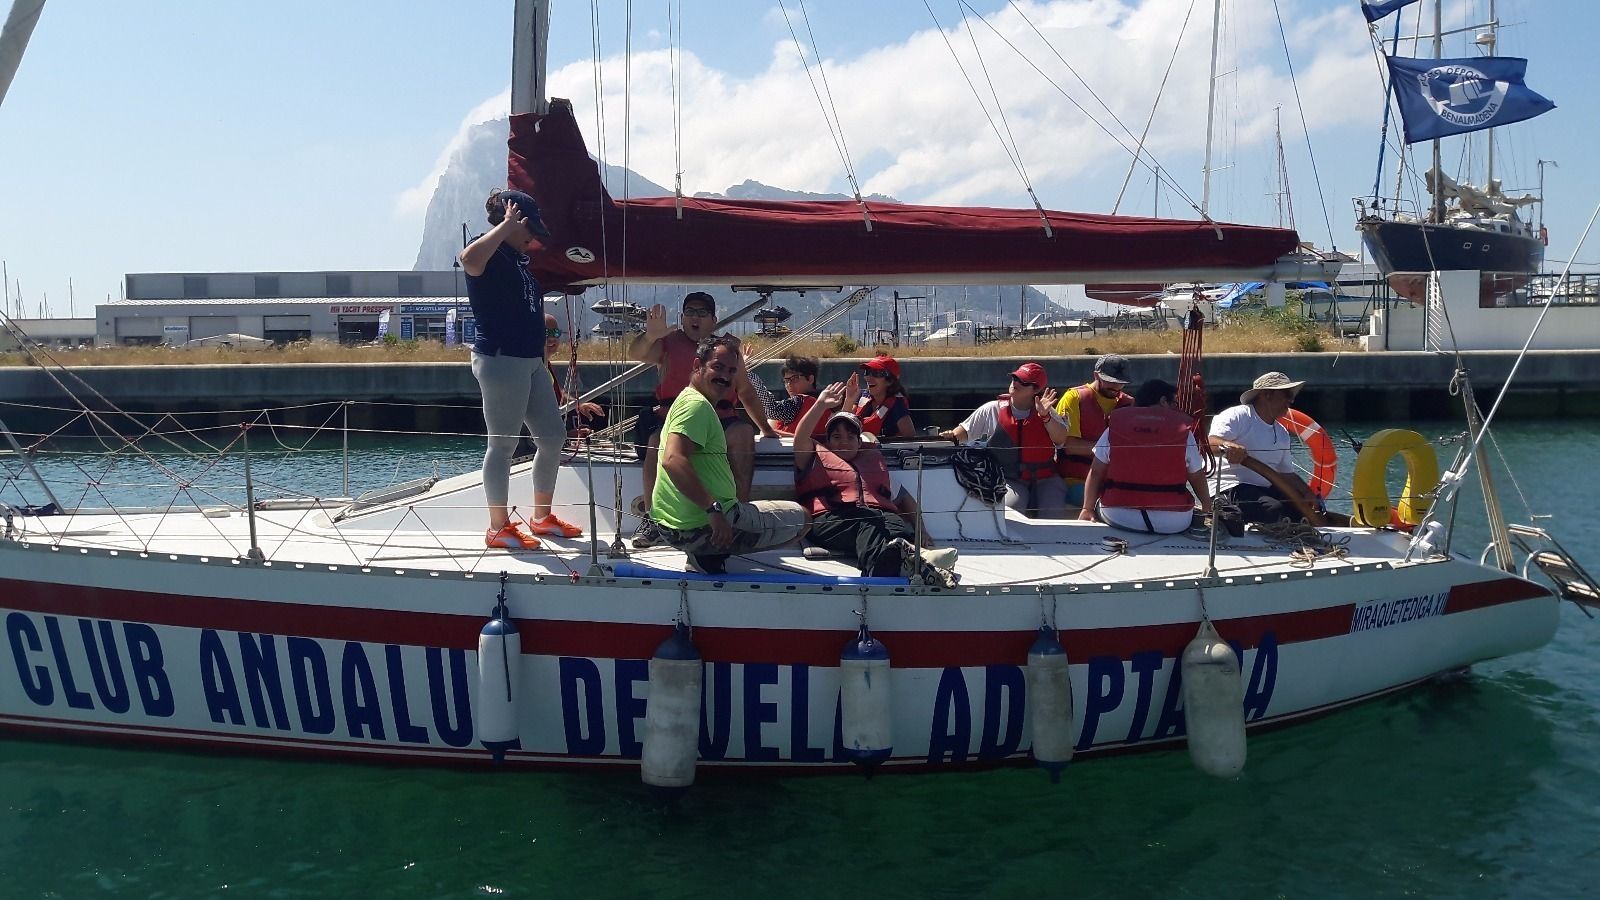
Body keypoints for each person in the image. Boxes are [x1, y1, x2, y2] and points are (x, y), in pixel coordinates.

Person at [460, 188, 583, 550]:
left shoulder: (519, 263)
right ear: (512, 221)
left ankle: (541, 517)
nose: (534, 239)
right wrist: (504, 227)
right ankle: (498, 527)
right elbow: (469, 259)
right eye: (529, 229)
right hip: (501, 359)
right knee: (503, 444)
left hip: (530, 362)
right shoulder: (491, 253)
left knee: (552, 437)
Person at [629, 292, 777, 548]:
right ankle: (654, 520)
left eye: (702, 313)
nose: (695, 318)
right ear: (683, 317)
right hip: (675, 416)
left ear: (713, 320)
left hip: (720, 417)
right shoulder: (667, 342)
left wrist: (766, 429)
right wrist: (651, 334)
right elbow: (637, 353)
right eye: (690, 312)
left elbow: (745, 391)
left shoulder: (728, 350)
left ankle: (736, 513)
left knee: (742, 434)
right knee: (656, 441)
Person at [652, 335, 808, 574]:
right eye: (718, 367)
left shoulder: (687, 398)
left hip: (671, 524)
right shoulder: (697, 407)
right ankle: (712, 551)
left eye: (731, 371)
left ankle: (707, 550)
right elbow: (673, 461)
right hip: (702, 526)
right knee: (803, 519)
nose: (725, 376)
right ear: (697, 366)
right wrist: (713, 511)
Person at [793, 380, 958, 586]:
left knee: (898, 528)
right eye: (836, 437)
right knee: (867, 522)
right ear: (827, 441)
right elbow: (800, 437)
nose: (843, 441)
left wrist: (921, 530)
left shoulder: (874, 464)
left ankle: (915, 558)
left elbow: (905, 499)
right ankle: (880, 571)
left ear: (859, 442)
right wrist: (820, 405)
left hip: (878, 517)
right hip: (830, 520)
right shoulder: (813, 457)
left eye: (850, 437)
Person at [937, 362, 1072, 518]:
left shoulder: (1047, 411)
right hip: (1008, 479)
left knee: (1052, 514)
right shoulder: (992, 409)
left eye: (1023, 381)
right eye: (1015, 378)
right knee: (1011, 511)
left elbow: (1060, 440)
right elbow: (960, 434)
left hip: (1046, 479)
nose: (1015, 383)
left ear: (1035, 389)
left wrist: (1046, 417)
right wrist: (949, 436)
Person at [1078, 379, 1211, 534]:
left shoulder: (1114, 427)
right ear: (1163, 401)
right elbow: (1196, 476)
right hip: (1172, 521)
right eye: (1174, 403)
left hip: (1119, 515)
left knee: (1100, 505)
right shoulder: (1183, 431)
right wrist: (1207, 508)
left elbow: (1096, 472)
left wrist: (1087, 509)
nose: (1176, 408)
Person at [1208, 371, 1323, 525]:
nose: (1292, 400)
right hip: (1229, 487)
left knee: (1297, 511)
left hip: (1263, 489)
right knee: (1272, 510)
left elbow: (1287, 474)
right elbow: (1210, 443)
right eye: (1287, 394)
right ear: (1267, 395)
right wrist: (1228, 446)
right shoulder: (1237, 415)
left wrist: (1308, 493)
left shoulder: (1282, 433)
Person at [1055, 354, 1134, 507]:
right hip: (1076, 480)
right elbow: (1069, 446)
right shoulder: (1073, 398)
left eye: (1121, 383)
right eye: (1110, 381)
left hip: (1115, 482)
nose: (1116, 387)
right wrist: (1112, 450)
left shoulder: (1130, 404)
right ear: (1096, 375)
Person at [543, 312, 604, 437]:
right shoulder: (533, 367)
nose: (552, 338)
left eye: (555, 333)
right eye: (545, 333)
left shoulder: (545, 364)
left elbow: (555, 394)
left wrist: (577, 404)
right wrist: (567, 435)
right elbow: (536, 410)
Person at [763, 355, 827, 438]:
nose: (789, 384)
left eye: (795, 378)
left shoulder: (799, 401)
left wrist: (746, 375)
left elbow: (771, 410)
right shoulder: (826, 405)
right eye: (786, 380)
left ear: (810, 379)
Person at [854, 353, 916, 439]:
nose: (868, 377)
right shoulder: (861, 396)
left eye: (876, 373)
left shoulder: (897, 405)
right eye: (867, 372)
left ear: (890, 381)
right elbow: (844, 424)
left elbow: (911, 438)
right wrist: (849, 400)